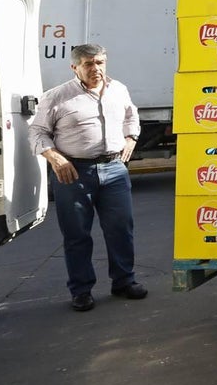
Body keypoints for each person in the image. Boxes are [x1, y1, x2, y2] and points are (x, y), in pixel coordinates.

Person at [29, 43, 147, 311]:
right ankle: (81, 290)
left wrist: (131, 137)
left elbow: (131, 116)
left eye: (100, 63)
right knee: (77, 235)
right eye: (89, 64)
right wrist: (55, 158)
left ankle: (124, 281)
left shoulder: (119, 89)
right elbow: (37, 132)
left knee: (120, 229)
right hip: (75, 173)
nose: (96, 69)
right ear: (75, 67)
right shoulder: (57, 96)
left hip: (114, 169)